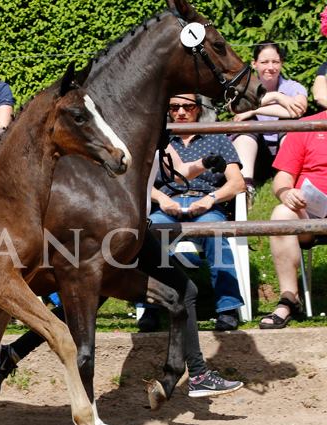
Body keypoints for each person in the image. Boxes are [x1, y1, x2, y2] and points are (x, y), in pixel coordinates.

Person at [0, 96, 245, 399]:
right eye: (168, 110)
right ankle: (197, 374)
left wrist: (205, 164)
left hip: (131, 232)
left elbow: (179, 171)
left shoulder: (153, 141)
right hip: (121, 233)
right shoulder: (129, 143)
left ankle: (14, 352)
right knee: (176, 292)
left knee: (97, 300)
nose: (173, 116)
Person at [139, 94, 247, 333]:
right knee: (150, 235)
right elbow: (141, 182)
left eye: (187, 106)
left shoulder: (216, 138)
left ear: (198, 109)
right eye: (174, 107)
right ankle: (151, 306)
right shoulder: (158, 138)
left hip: (205, 201)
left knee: (215, 233)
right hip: (167, 204)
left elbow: (237, 183)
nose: (180, 112)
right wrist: (163, 199)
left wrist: (210, 199)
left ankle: (227, 308)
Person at [259, 108, 327, 328]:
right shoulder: (305, 126)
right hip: (312, 212)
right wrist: (287, 193)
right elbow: (283, 179)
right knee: (281, 214)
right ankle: (289, 299)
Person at [232, 42, 307, 190]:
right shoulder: (244, 89)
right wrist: (277, 97)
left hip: (285, 151)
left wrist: (254, 110)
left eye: (275, 62)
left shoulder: (294, 87)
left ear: (282, 64)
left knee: (289, 120)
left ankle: (289, 184)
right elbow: (234, 108)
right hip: (254, 152)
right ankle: (246, 187)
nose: (270, 67)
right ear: (254, 64)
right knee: (248, 123)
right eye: (264, 62)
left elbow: (298, 110)